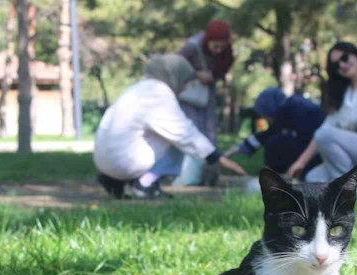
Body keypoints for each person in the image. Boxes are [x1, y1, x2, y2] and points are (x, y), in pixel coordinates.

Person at [93, 55, 246, 200]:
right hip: (122, 163)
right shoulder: (158, 94)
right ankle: (145, 183)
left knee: (155, 132)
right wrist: (217, 158)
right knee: (175, 138)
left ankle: (115, 181)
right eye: (185, 82)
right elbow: (184, 133)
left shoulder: (139, 88)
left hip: (104, 163)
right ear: (174, 76)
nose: (185, 88)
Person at [287, 42, 357, 199]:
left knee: (325, 136)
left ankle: (356, 188)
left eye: (345, 58)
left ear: (356, 55)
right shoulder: (343, 95)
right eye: (336, 65)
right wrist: (300, 162)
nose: (342, 64)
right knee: (313, 178)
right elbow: (323, 131)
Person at [173, 19, 235, 187]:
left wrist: (215, 76)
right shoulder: (192, 46)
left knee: (209, 135)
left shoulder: (226, 50)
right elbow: (175, 66)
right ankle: (186, 177)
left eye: (222, 46)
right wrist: (197, 74)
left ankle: (208, 176)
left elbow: (224, 67)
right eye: (215, 46)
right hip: (188, 96)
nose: (218, 50)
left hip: (207, 96)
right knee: (191, 133)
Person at [224, 86, 325, 177]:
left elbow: (269, 135)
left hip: (317, 153)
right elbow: (265, 135)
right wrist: (234, 150)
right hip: (316, 149)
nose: (264, 117)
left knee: (274, 143)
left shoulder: (294, 110)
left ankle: (273, 175)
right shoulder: (289, 106)